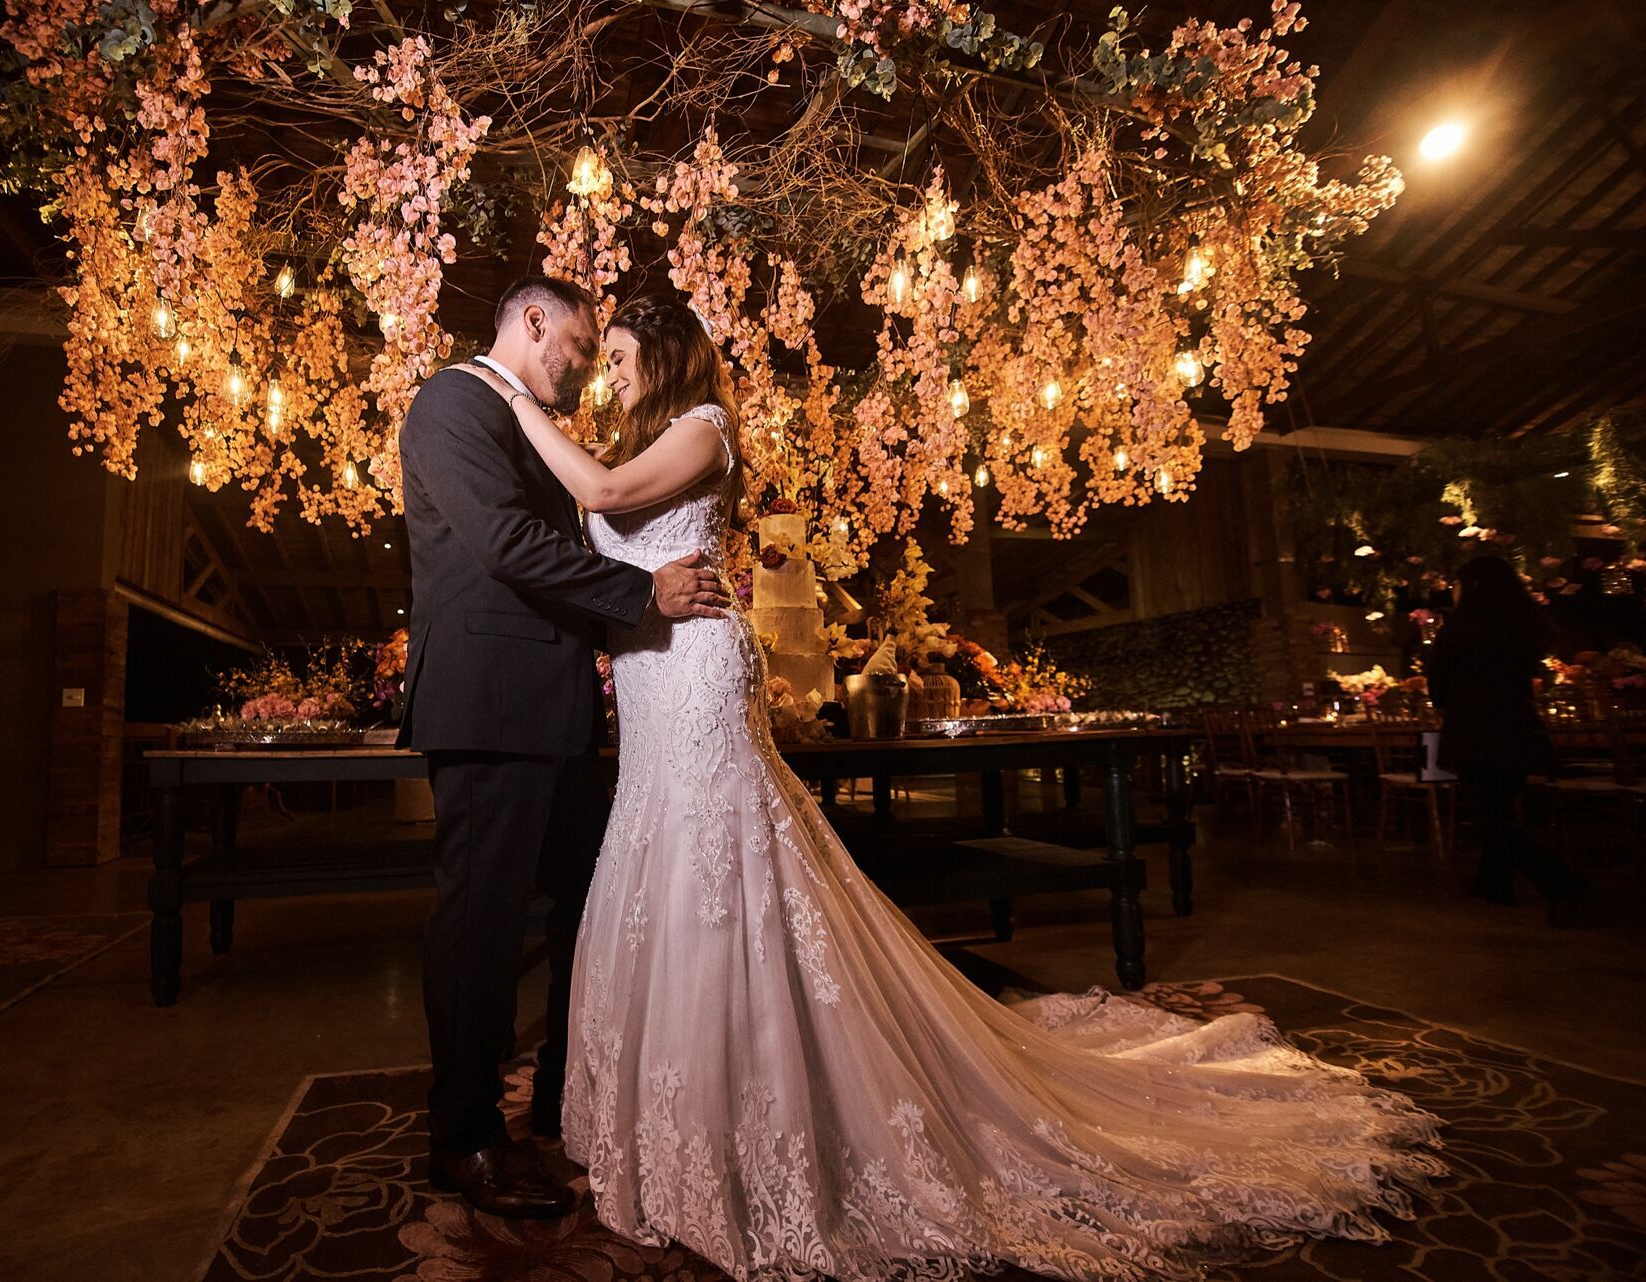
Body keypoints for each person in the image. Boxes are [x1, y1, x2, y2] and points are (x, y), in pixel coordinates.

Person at [460, 293, 1447, 1282]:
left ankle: (754, 1120)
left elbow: (593, 482)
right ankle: (679, 1116)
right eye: (607, 359)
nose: (611, 375)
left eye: (623, 357)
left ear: (668, 360)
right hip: (646, 687)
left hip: (700, 679)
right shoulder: (643, 440)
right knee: (660, 878)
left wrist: (504, 384)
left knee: (721, 882)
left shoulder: (702, 430)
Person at [397, 276, 728, 1219]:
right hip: (492, 707)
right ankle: (462, 1136)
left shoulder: (532, 420)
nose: (588, 368)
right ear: (534, 322)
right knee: (483, 927)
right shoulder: (454, 400)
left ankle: (557, 1094)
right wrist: (640, 597)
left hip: (557, 711)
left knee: (592, 903)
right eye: (583, 346)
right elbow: (503, 543)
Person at [1426, 554, 1589, 925]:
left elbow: (1439, 679)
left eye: (1458, 585)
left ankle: (1563, 884)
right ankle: (1494, 884)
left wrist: (1450, 701)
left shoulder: (1462, 627)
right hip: (1517, 727)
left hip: (1475, 729)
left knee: (1491, 819)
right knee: (1500, 809)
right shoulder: (1523, 624)